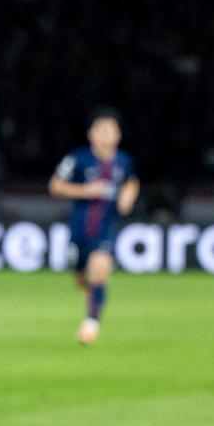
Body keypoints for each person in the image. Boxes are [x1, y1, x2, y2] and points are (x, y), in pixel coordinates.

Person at [48, 108, 138, 345]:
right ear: (91, 134)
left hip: (106, 229)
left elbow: (132, 182)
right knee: (81, 279)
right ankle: (93, 300)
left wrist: (128, 196)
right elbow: (55, 185)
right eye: (101, 130)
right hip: (79, 231)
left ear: (118, 135)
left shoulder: (124, 162)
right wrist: (85, 191)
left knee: (100, 268)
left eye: (111, 130)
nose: (106, 135)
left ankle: (91, 324)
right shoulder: (78, 159)